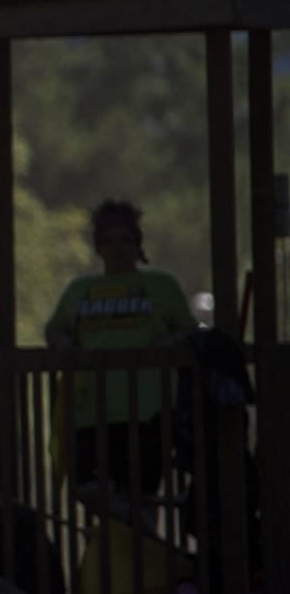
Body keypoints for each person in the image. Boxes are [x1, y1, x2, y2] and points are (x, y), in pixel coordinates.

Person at [44, 199, 197, 506]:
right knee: (89, 491)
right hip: (91, 411)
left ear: (138, 244)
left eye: (126, 240)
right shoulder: (80, 288)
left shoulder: (160, 284)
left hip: (149, 409)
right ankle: (128, 536)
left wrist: (170, 343)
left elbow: (189, 331)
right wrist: (62, 343)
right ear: (98, 247)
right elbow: (55, 328)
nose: (117, 248)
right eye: (109, 241)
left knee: (139, 491)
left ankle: (143, 539)